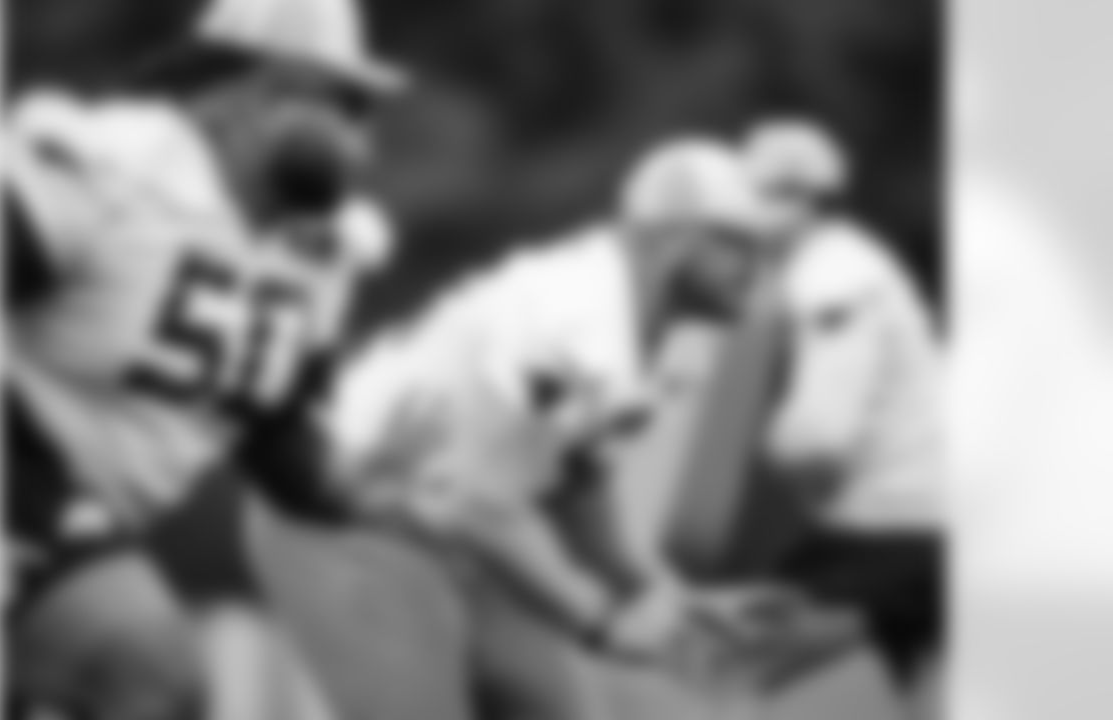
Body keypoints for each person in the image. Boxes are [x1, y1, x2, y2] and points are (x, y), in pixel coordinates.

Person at [2, 0, 403, 717]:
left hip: (74, 517)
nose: (346, 132)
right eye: (317, 96)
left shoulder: (320, 255)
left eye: (358, 107)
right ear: (227, 94)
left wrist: (371, 489)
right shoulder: (114, 166)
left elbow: (277, 434)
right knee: (145, 663)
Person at [324, 138, 773, 672]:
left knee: (554, 703)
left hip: (427, 520)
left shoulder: (630, 322)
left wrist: (665, 595)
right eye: (737, 243)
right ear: (673, 237)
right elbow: (470, 499)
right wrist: (597, 622)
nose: (756, 267)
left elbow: (576, 486)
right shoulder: (570, 318)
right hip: (342, 507)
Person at [741, 118, 944, 683]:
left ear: (809, 201)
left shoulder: (833, 276)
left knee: (731, 660)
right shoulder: (845, 264)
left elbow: (819, 439)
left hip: (889, 529)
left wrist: (762, 452)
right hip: (915, 521)